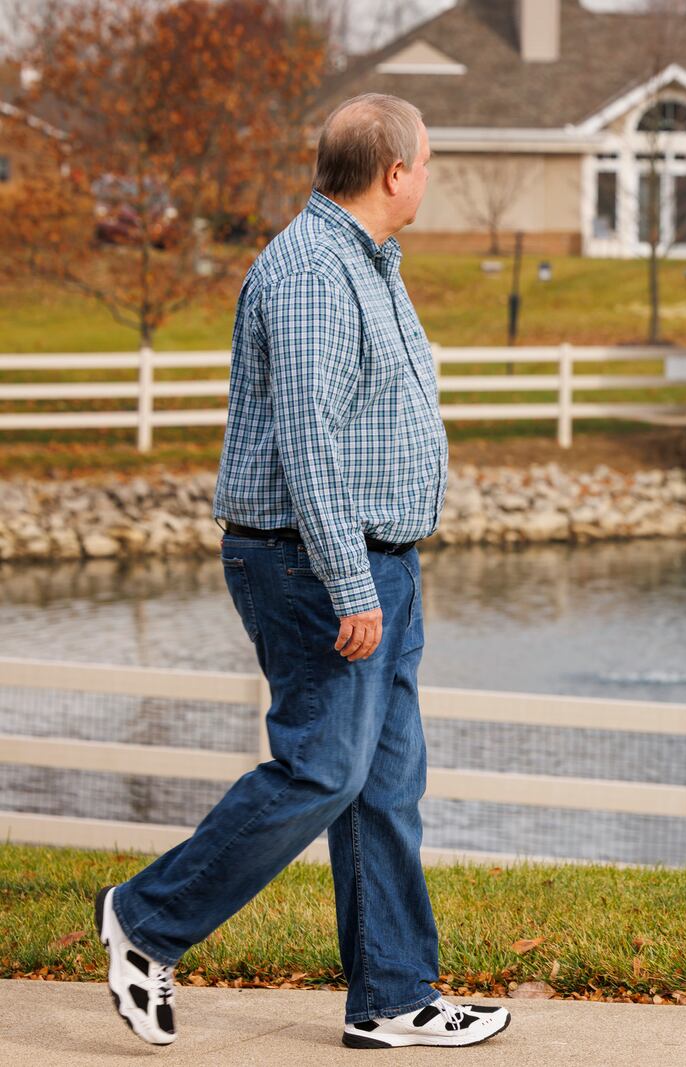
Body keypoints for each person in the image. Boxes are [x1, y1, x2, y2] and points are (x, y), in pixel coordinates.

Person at [94, 93, 509, 1050]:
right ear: (395, 171)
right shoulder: (313, 271)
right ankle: (146, 920)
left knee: (383, 787)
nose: (431, 177)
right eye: (429, 161)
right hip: (317, 564)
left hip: (379, 562)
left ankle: (395, 996)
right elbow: (307, 443)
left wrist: (381, 572)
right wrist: (352, 581)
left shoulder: (368, 261)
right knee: (323, 768)